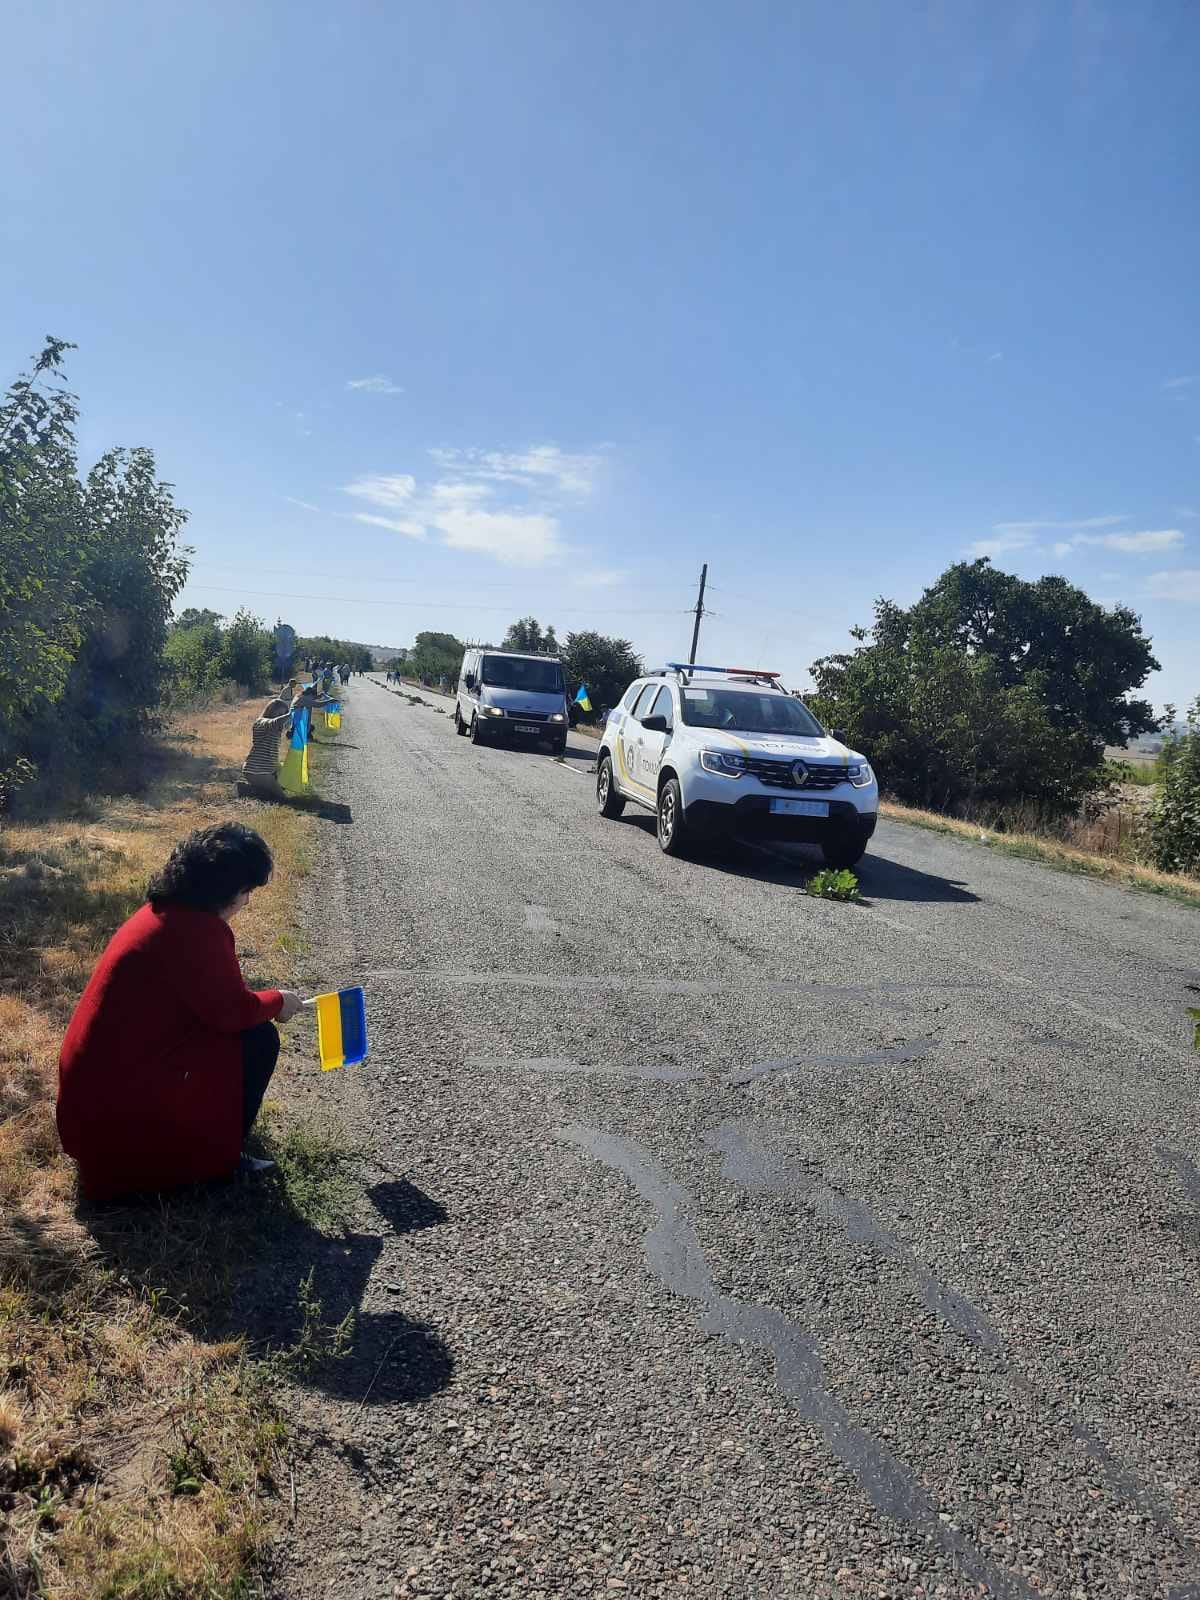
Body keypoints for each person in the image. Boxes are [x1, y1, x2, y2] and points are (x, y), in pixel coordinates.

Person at [57, 824, 304, 1201]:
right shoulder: (197, 932)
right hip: (117, 1126)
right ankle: (216, 1163)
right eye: (246, 891)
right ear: (224, 890)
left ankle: (206, 1142)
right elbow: (233, 1013)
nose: (247, 902)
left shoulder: (161, 912)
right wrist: (278, 1001)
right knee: (258, 1040)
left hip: (93, 1112)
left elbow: (210, 1004)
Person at [241, 691, 293, 797]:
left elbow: (283, 724)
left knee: (288, 774)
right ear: (270, 711)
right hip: (256, 771)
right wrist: (291, 713)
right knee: (282, 798)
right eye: (279, 713)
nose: (281, 716)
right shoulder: (261, 722)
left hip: (266, 770)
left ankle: (254, 789)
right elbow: (275, 722)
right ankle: (246, 790)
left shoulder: (276, 728)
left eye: (283, 714)